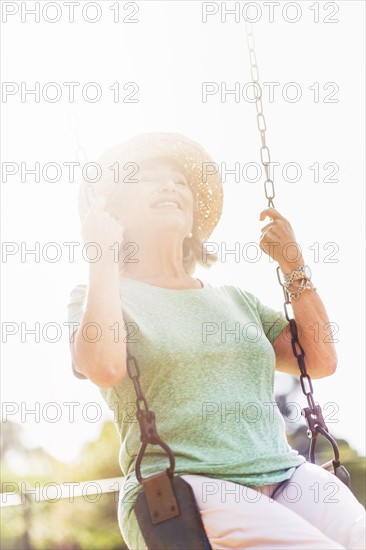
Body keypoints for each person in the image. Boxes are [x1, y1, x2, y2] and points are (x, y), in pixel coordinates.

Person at [67, 132, 365, 549]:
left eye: (179, 180)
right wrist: (101, 258)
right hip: (185, 488)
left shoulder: (236, 300)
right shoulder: (102, 297)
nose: (169, 184)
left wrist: (293, 264)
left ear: (192, 219)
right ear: (114, 211)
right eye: (147, 177)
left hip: (285, 474)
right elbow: (104, 367)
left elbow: (319, 361)